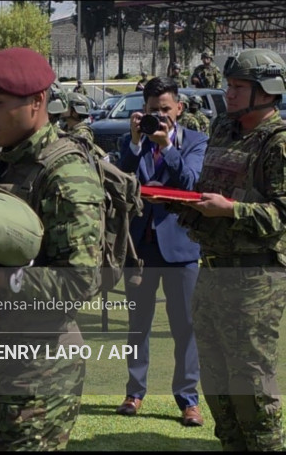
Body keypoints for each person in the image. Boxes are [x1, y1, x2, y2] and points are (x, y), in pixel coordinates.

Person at [0, 47, 103, 450]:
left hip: (43, 363)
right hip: (5, 348)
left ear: (36, 102)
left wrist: (3, 276)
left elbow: (80, 281)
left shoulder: (65, 173)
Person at [175, 48, 286, 451]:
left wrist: (231, 210)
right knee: (217, 376)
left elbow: (282, 215)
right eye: (229, 85)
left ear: (266, 92)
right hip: (212, 270)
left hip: (255, 278)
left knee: (251, 379)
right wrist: (182, 203)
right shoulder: (223, 129)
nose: (229, 93)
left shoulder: (278, 143)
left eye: (239, 87)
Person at [115, 76, 208, 427]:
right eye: (153, 110)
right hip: (140, 248)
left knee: (185, 326)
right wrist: (137, 143)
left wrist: (167, 147)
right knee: (137, 326)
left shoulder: (196, 142)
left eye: (166, 110)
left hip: (181, 247)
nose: (160, 116)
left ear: (179, 109)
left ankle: (188, 399)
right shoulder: (130, 142)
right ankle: (134, 393)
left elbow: (188, 182)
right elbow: (120, 182)